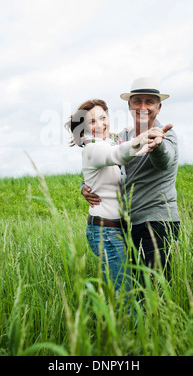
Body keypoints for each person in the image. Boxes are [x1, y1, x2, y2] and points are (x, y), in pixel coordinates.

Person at [65, 98, 169, 294]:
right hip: (105, 231)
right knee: (124, 296)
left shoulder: (111, 140)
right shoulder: (93, 147)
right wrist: (142, 138)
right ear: (84, 128)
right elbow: (116, 155)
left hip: (118, 229)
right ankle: (120, 325)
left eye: (103, 118)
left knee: (128, 291)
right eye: (92, 122)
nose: (100, 125)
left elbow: (119, 145)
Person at [82, 77, 180, 282]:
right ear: (129, 105)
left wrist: (157, 143)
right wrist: (85, 186)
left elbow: (165, 161)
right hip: (128, 225)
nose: (143, 107)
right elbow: (105, 163)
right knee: (134, 290)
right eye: (137, 101)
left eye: (149, 102)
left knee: (154, 289)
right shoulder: (122, 138)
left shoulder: (167, 136)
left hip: (156, 222)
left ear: (159, 107)